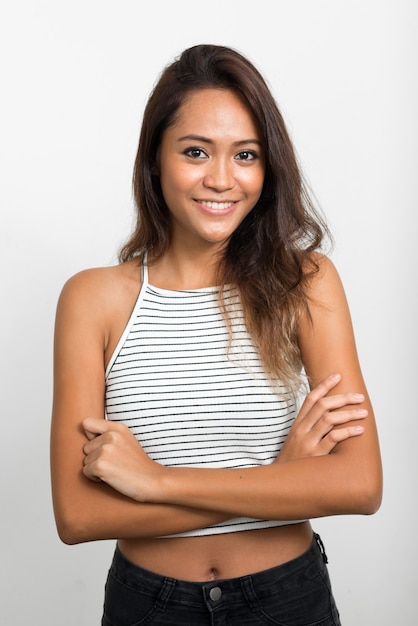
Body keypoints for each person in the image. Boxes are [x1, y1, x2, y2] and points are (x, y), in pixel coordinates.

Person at [50, 44, 382, 625]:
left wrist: (154, 482)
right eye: (196, 151)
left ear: (268, 166)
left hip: (286, 599)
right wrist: (281, 483)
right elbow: (78, 518)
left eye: (246, 155)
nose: (222, 179)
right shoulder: (92, 299)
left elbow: (358, 484)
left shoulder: (305, 282)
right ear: (156, 159)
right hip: (149, 606)